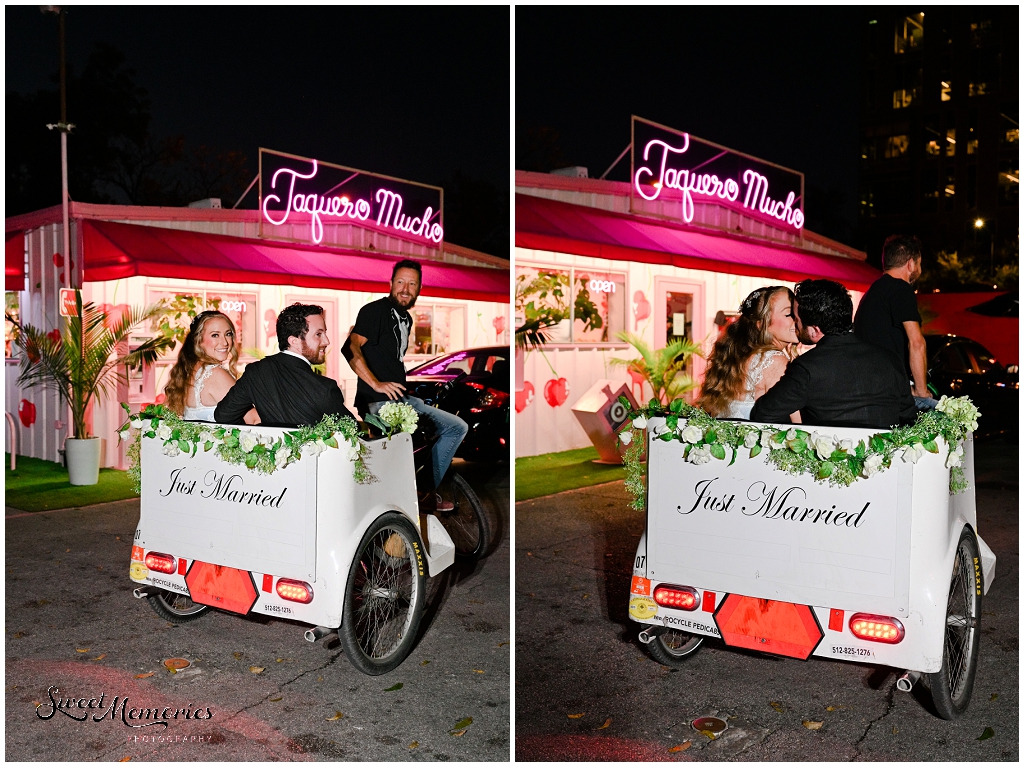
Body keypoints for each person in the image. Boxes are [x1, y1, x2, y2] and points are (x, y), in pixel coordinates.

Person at [344, 259, 468, 497]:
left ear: (419, 289)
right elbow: (350, 348)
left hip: (402, 400)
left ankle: (420, 493)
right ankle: (397, 499)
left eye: (412, 284)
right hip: (379, 403)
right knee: (395, 460)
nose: (405, 288)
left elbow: (389, 361)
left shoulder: (406, 319)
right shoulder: (375, 311)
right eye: (400, 282)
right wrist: (376, 384)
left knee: (456, 427)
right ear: (390, 284)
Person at [750, 279, 917, 429]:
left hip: (830, 460)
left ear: (815, 330)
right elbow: (909, 417)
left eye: (797, 318)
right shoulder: (890, 360)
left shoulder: (807, 367)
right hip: (884, 459)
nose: (795, 324)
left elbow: (764, 414)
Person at [214, 303, 349, 426]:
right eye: (318, 334)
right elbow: (353, 435)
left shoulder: (255, 371)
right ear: (294, 341)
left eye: (325, 333)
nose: (327, 341)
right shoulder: (324, 388)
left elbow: (224, 415)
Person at [854, 235, 938, 410]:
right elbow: (916, 343)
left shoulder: (871, 293)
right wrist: (922, 392)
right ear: (911, 264)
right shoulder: (901, 289)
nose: (919, 269)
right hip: (890, 393)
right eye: (919, 264)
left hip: (867, 389)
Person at [696, 286, 801, 422]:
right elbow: (799, 426)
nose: (797, 319)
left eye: (796, 312)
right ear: (761, 324)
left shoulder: (738, 359)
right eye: (788, 314)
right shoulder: (774, 361)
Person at [164, 311, 257, 424]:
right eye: (215, 335)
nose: (225, 342)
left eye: (228, 334)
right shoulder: (215, 373)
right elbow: (253, 419)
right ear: (199, 341)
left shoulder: (190, 370)